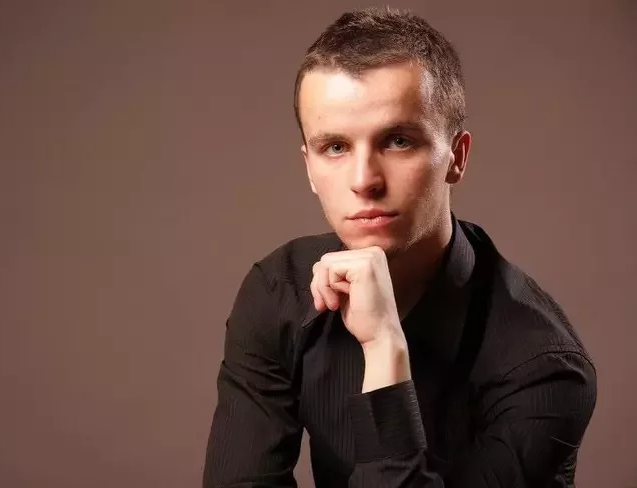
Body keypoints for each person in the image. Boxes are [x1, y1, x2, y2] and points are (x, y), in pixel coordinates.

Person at [202, 7, 597, 488]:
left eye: (397, 141)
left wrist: (384, 348)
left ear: (456, 157)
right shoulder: (278, 292)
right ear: (309, 167)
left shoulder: (544, 369)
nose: (364, 180)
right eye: (335, 147)